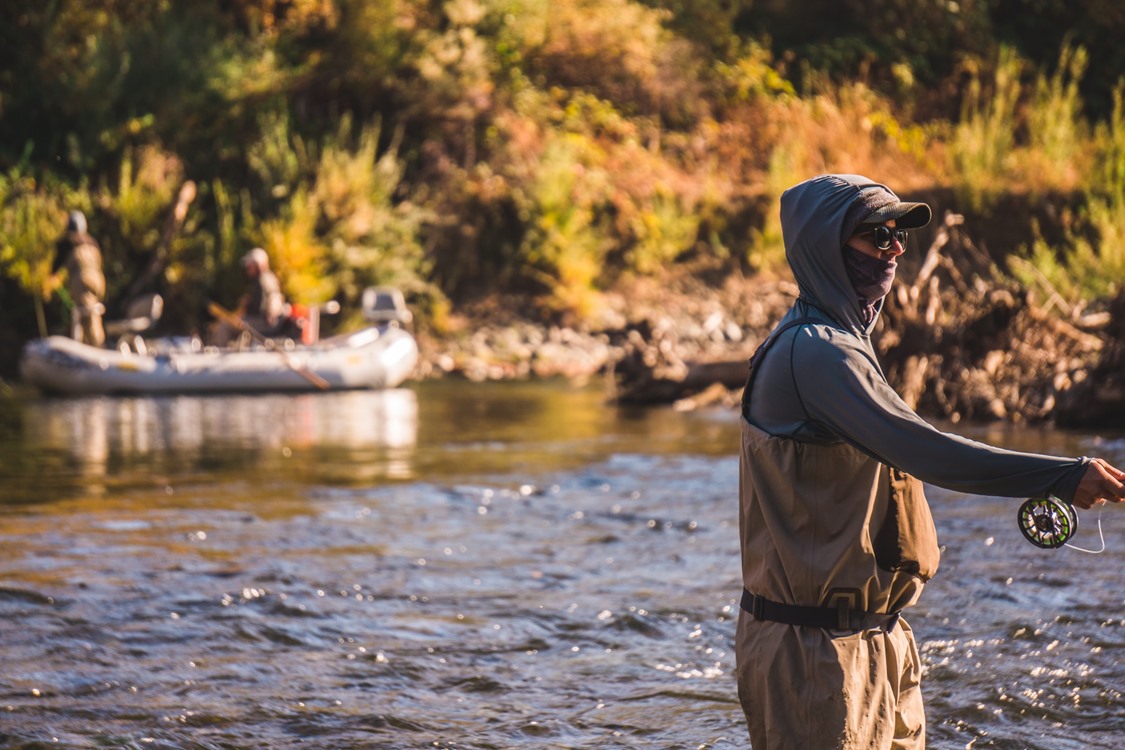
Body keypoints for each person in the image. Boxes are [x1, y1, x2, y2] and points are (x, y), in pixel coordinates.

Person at [735, 173, 1125, 749]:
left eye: (898, 235)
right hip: (814, 656)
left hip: (878, 641)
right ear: (825, 246)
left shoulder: (845, 344)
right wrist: (1063, 475)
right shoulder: (815, 353)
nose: (894, 249)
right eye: (875, 235)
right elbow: (926, 451)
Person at [50, 211, 106, 347]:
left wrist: (51, 278)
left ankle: (98, 351)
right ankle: (87, 347)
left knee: (88, 319)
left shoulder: (68, 242)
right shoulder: (92, 242)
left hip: (82, 282)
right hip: (99, 282)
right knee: (90, 315)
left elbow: (56, 267)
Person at [212, 247, 288, 346]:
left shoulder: (263, 280)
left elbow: (263, 307)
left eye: (250, 266)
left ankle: (219, 354)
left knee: (224, 326)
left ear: (259, 265)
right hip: (264, 320)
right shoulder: (267, 278)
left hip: (264, 322)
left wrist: (247, 306)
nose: (248, 270)